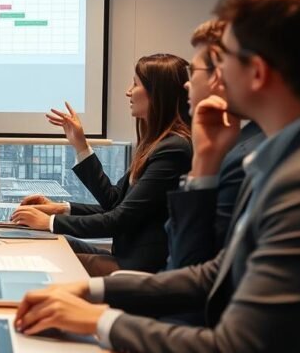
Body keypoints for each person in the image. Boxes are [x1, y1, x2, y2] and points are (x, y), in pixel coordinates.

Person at [12, 0, 300, 353]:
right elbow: (216, 273)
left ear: (256, 72)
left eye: (225, 59)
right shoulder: (297, 148)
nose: (205, 77)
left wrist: (99, 321)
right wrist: (96, 290)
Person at [12, 54, 193, 275]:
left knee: (47, 254)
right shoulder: (156, 144)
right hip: (125, 257)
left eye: (136, 84)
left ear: (158, 93)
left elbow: (119, 219)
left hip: (137, 269)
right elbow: (114, 200)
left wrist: (50, 221)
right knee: (42, 242)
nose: (128, 91)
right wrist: (61, 207)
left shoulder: (173, 150)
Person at [165, 19, 264, 269]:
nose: (186, 83)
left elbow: (190, 264)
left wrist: (203, 165)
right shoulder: (244, 139)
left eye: (192, 71)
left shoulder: (248, 156)